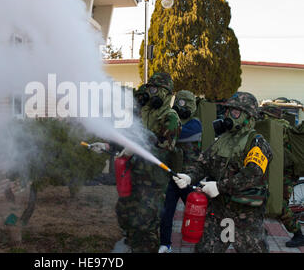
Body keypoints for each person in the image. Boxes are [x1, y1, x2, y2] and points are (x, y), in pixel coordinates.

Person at [90, 72, 181, 253]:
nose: (151, 93)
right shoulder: (142, 114)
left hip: (153, 182)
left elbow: (165, 147)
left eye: (155, 89)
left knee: (146, 227)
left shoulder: (170, 117)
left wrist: (139, 146)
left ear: (166, 93)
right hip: (133, 177)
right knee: (126, 217)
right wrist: (107, 145)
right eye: (149, 88)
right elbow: (127, 139)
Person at [174, 92, 273, 253]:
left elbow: (252, 175)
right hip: (218, 211)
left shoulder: (256, 143)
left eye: (234, 112)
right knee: (205, 249)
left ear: (248, 116)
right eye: (227, 111)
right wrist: (190, 176)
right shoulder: (222, 140)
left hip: (245, 215)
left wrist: (219, 187)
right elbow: (203, 163)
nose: (228, 116)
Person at [159, 90, 202, 253]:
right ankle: (165, 244)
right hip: (172, 176)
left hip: (189, 178)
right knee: (166, 213)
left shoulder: (195, 124)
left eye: (184, 104)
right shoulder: (173, 121)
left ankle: (204, 241)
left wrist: (165, 129)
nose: (179, 107)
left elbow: (177, 135)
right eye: (178, 103)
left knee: (197, 211)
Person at [258, 105, 304, 247]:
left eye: (263, 116)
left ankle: (298, 234)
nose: (261, 118)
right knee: (261, 198)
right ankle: (258, 229)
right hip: (278, 172)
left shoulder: (279, 129)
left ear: (269, 116)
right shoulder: (279, 127)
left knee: (279, 204)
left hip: (286, 174)